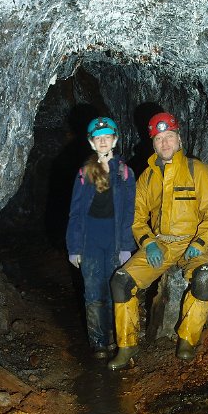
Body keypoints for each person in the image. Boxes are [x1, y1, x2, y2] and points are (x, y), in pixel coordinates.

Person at [107, 112, 208, 370]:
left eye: (169, 137)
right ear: (153, 144)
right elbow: (136, 217)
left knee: (205, 279)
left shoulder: (197, 170)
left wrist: (200, 242)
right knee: (121, 282)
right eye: (159, 139)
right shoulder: (148, 177)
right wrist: (148, 242)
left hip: (193, 242)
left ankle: (187, 339)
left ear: (179, 139)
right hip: (160, 244)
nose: (165, 143)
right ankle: (127, 345)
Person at [66, 117, 137, 359]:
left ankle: (117, 338)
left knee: (114, 290)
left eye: (107, 137)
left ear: (114, 140)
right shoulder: (84, 173)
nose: (103, 141)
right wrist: (74, 247)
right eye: (98, 138)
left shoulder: (125, 173)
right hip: (90, 242)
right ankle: (99, 342)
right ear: (92, 143)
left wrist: (126, 246)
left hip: (115, 240)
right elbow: (75, 213)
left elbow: (129, 212)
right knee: (94, 292)